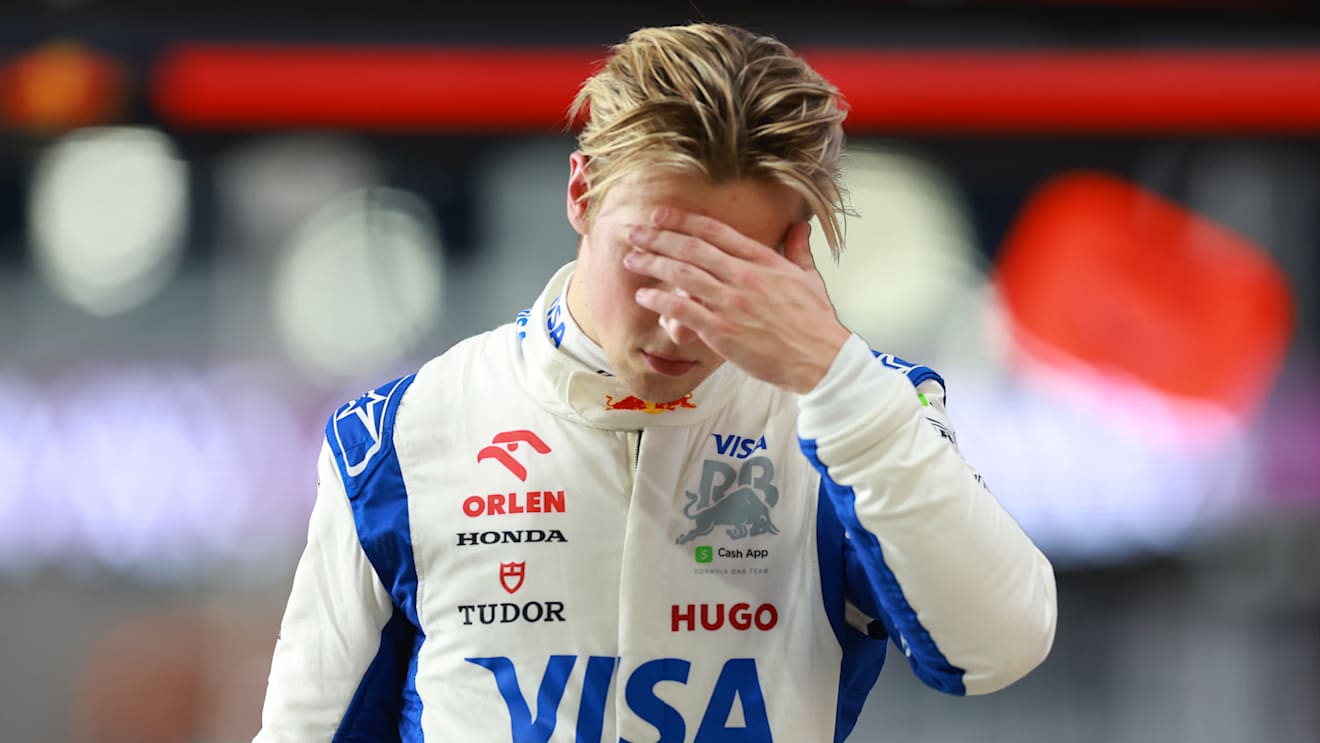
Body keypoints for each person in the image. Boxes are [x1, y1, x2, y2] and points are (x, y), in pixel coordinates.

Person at [253, 22, 1056, 743]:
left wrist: (834, 375)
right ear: (581, 193)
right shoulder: (400, 431)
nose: (681, 321)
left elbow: (997, 648)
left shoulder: (859, 413)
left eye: (728, 274)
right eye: (656, 259)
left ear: (793, 251)